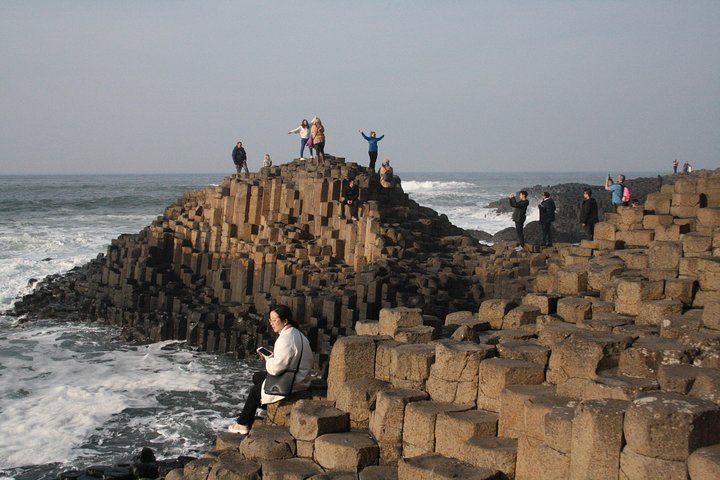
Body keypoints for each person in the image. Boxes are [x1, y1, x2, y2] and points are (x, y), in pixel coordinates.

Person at [228, 305, 313, 435]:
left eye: (274, 320)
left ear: (285, 321)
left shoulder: (285, 339)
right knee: (257, 377)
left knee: (254, 392)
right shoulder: (297, 334)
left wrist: (268, 359)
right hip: (299, 376)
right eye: (270, 320)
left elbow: (275, 370)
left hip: (292, 382)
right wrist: (273, 356)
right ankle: (264, 409)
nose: (271, 323)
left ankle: (242, 424)